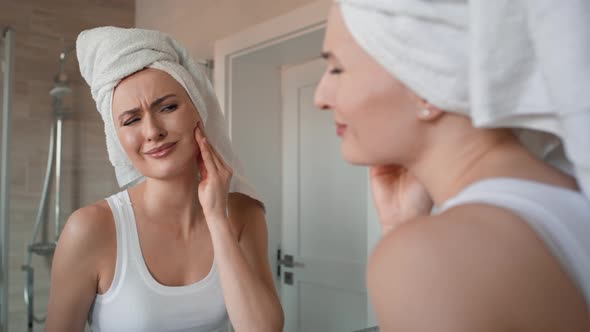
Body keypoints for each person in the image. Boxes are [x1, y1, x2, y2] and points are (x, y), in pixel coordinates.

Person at [315, 2, 590, 331]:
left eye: (336, 69)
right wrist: (401, 226)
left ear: (425, 83)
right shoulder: (567, 192)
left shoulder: (432, 257)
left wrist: (406, 249)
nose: (320, 97)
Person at [45, 27, 283, 332]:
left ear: (198, 111)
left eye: (168, 107)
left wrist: (216, 217)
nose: (152, 131)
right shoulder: (90, 229)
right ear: (116, 138)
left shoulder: (243, 214)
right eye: (131, 119)